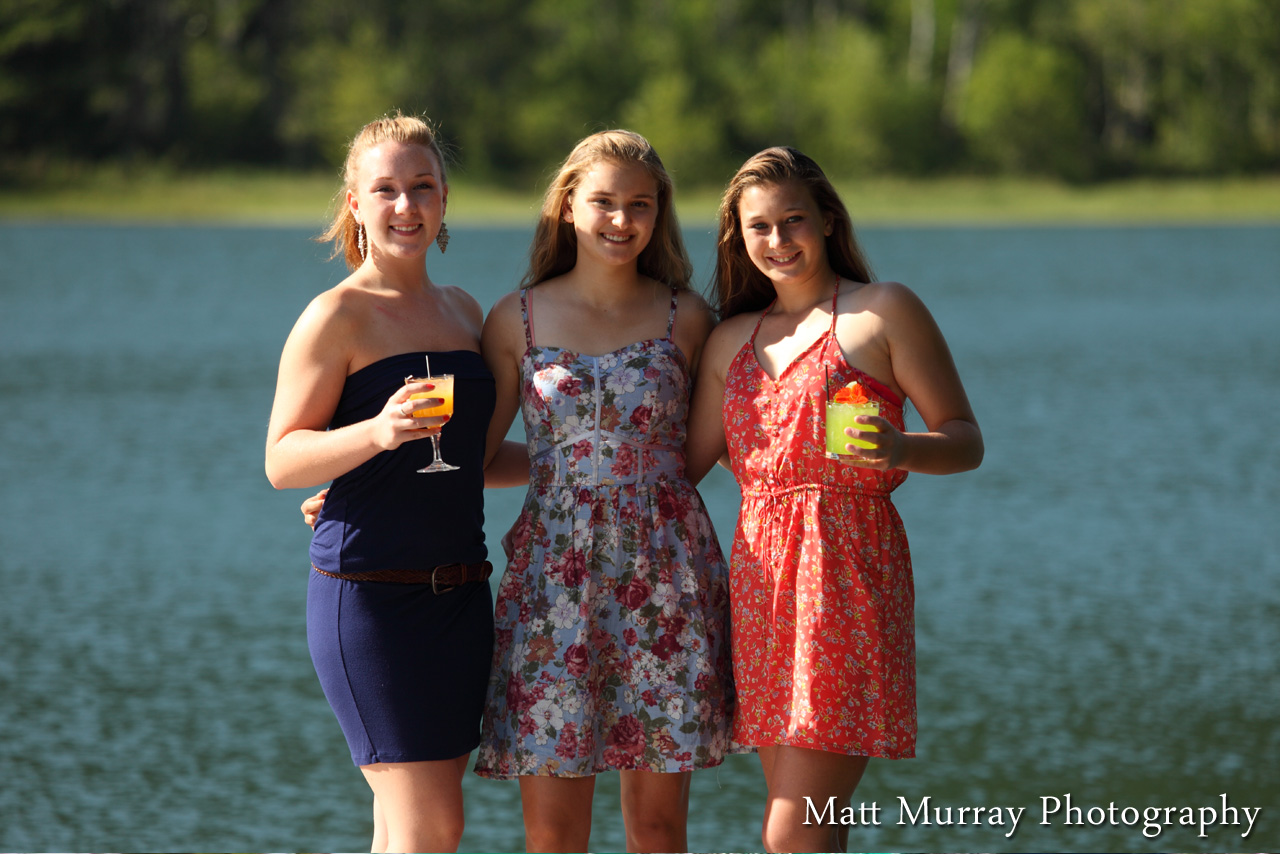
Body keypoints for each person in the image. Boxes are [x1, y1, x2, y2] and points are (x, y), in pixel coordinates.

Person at [684, 146, 984, 853]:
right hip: (761, 586)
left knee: (792, 831)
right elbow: (681, 467)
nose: (779, 241)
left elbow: (966, 440)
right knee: (810, 827)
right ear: (738, 239)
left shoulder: (883, 312)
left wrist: (904, 448)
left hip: (847, 577)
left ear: (826, 221)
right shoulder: (731, 339)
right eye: (760, 227)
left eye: (794, 221)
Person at [471, 129, 737, 853]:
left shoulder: (687, 317)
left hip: (664, 582)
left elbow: (703, 454)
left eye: (640, 205)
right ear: (567, 205)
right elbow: (478, 458)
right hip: (553, 585)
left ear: (660, 213)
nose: (622, 221)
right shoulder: (514, 319)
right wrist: (363, 495)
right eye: (604, 202)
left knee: (657, 829)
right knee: (553, 837)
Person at [265, 112, 521, 854]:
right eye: (385, 190)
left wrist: (577, 460)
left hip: (463, 599)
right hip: (371, 601)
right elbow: (283, 461)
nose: (405, 206)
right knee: (431, 828)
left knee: (403, 832)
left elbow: (472, 460)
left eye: (422, 187)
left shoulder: (465, 310)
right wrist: (376, 433)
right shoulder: (334, 317)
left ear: (444, 200)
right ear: (355, 204)